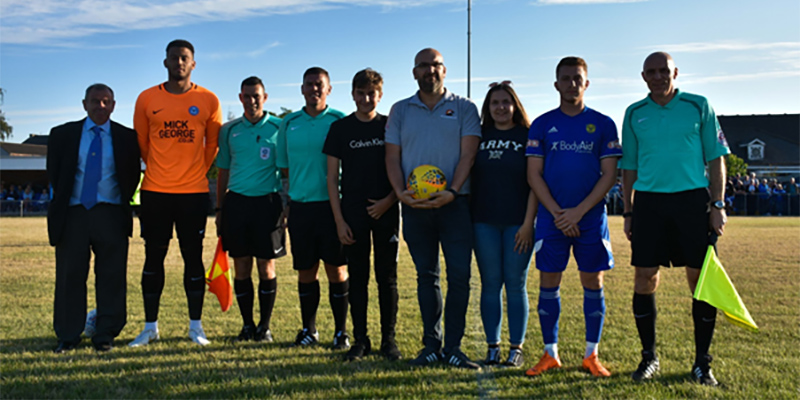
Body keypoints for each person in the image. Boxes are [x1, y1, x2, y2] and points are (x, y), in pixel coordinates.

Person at [620, 52, 730, 386]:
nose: (657, 77)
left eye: (663, 71)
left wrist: (718, 204)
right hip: (649, 204)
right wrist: (628, 210)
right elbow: (629, 168)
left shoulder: (699, 106)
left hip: (692, 201)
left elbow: (716, 158)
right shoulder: (634, 113)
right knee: (645, 279)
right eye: (651, 72)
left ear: (675, 73)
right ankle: (649, 357)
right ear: (643, 76)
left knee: (700, 282)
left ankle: (702, 363)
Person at [524, 57, 621, 378]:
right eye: (565, 79)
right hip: (551, 219)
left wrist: (578, 212)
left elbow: (609, 175)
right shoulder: (541, 124)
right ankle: (550, 354)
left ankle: (591, 355)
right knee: (548, 282)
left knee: (593, 281)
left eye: (577, 79)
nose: (571, 84)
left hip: (591, 218)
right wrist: (557, 213)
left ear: (587, 83)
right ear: (556, 84)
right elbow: (534, 175)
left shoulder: (604, 124)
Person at [385, 48, 482, 369]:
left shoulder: (465, 108)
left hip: (456, 205)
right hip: (415, 206)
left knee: (460, 277)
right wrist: (400, 193)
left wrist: (452, 192)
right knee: (427, 277)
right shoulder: (400, 110)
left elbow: (468, 155)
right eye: (423, 66)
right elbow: (392, 157)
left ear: (445, 70)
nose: (430, 70)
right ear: (414, 72)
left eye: (436, 65)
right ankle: (431, 345)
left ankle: (453, 347)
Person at [130, 39, 222, 347]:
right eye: (174, 58)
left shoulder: (209, 100)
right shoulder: (146, 99)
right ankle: (149, 327)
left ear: (193, 64)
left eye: (185, 58)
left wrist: (193, 171)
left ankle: (195, 327)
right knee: (153, 258)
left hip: (194, 193)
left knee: (193, 259)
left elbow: (213, 146)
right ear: (165, 62)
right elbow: (142, 145)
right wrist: (162, 170)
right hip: (155, 191)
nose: (179, 62)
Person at [46, 83, 141, 353]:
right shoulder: (63, 134)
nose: (100, 106)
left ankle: (105, 334)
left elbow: (131, 175)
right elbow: (55, 173)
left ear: (113, 105)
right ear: (84, 104)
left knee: (111, 275)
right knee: (70, 275)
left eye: (106, 101)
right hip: (73, 214)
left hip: (111, 213)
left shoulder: (127, 137)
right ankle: (67, 334)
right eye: (95, 101)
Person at [323, 68, 402, 361]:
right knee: (358, 278)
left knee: (387, 278)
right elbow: (332, 179)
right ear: (353, 94)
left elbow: (402, 170)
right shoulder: (340, 129)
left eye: (372, 93)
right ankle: (360, 340)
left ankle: (388, 341)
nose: (366, 98)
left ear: (380, 95)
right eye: (361, 93)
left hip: (387, 211)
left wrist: (388, 200)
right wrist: (340, 220)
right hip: (353, 214)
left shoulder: (390, 126)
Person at [276, 67, 350, 349]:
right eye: (309, 85)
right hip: (301, 209)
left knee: (337, 270)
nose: (314, 89)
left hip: (334, 208)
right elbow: (284, 168)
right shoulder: (289, 123)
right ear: (302, 89)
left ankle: (341, 332)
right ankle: (309, 330)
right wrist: (288, 203)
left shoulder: (340, 120)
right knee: (306, 271)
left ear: (329, 89)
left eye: (319, 84)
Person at [471, 81, 536, 368]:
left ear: (515, 105)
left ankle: (516, 348)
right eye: (494, 103)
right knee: (490, 284)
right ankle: (493, 347)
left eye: (505, 102)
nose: (500, 107)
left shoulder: (528, 135)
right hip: (483, 221)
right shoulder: (478, 135)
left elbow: (536, 182)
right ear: (488, 107)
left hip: (517, 224)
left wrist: (527, 223)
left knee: (515, 284)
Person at [215, 76, 285, 342]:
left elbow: (288, 169)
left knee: (266, 267)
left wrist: (288, 206)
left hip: (267, 204)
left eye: (256, 95)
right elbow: (223, 170)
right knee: (241, 266)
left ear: (265, 98)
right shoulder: (229, 130)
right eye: (247, 96)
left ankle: (264, 328)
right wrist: (220, 209)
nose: (252, 100)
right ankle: (247, 326)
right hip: (237, 204)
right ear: (240, 97)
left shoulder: (280, 127)